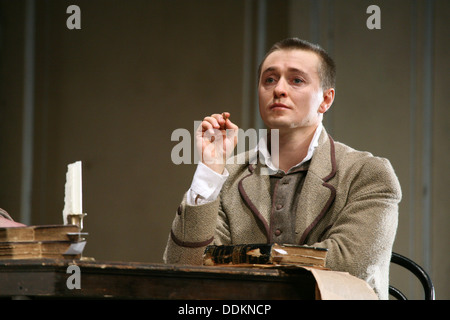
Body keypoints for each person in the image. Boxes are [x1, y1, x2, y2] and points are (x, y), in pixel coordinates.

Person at [163, 38, 401, 300]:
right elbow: (184, 268)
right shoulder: (226, 174)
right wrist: (209, 171)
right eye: (270, 80)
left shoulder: (368, 173)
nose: (279, 89)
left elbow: (349, 264)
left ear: (325, 99)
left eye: (296, 80)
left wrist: (251, 258)